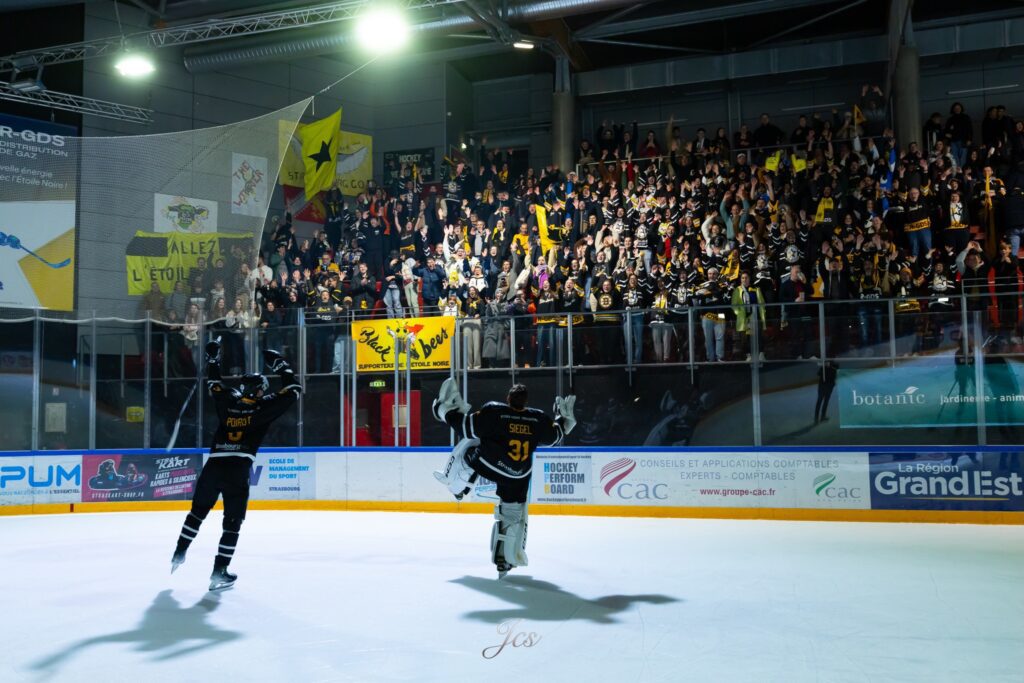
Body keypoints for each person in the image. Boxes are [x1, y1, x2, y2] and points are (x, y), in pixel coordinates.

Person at [170, 342, 302, 591]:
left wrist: (213, 359)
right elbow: (294, 389)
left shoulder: (227, 400)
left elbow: (214, 383)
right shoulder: (264, 406)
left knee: (197, 512)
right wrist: (281, 365)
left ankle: (180, 551)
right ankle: (219, 572)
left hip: (214, 466)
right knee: (232, 523)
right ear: (260, 391)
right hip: (238, 469)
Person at [431, 380, 576, 577]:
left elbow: (465, 426)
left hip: (490, 465)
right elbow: (556, 436)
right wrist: (562, 418)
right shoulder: (537, 419)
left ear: (508, 398)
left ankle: (458, 487)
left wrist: (443, 410)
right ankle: (504, 558)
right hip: (518, 475)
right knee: (512, 515)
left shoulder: (495, 412)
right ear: (525, 401)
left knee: (470, 445)